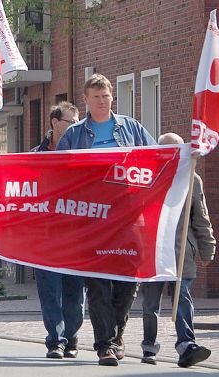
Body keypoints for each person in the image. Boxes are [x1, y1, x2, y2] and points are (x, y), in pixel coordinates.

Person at [57, 74, 156, 367]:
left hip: (127, 218)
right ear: (85, 100)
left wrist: (186, 154)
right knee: (97, 283)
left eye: (106, 96)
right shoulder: (74, 135)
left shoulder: (132, 129)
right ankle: (105, 346)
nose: (102, 101)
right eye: (96, 97)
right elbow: (58, 174)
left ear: (113, 98)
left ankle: (116, 334)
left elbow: (156, 159)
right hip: (90, 220)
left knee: (128, 278)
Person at [139, 132, 216, 368]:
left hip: (182, 252)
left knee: (182, 299)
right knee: (151, 303)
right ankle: (149, 347)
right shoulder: (146, 178)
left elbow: (200, 217)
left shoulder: (193, 180)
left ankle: (186, 346)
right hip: (152, 252)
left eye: (177, 150)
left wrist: (207, 247)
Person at [31, 101, 85, 359]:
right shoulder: (35, 155)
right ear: (54, 122)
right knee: (50, 291)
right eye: (71, 123)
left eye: (78, 123)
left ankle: (72, 336)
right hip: (45, 235)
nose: (76, 128)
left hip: (76, 234)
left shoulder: (84, 154)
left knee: (74, 291)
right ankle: (56, 340)